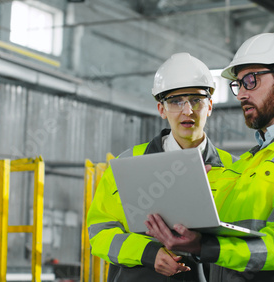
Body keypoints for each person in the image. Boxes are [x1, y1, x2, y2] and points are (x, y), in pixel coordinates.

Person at [145, 33, 274, 281]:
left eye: (250, 81)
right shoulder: (245, 164)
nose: (241, 94)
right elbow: (225, 230)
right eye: (238, 84)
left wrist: (204, 247)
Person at [86, 52, 236, 281]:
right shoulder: (128, 163)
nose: (187, 111)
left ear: (210, 106)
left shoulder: (234, 169)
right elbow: (100, 235)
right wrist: (148, 253)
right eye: (176, 101)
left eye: (196, 100)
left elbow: (240, 241)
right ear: (161, 109)